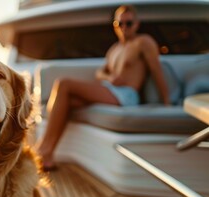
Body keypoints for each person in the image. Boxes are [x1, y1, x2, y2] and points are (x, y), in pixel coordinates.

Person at [35, 5, 170, 171]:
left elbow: (157, 70)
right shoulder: (114, 50)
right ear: (115, 25)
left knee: (63, 84)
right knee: (68, 101)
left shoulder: (143, 42)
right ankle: (47, 156)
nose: (124, 28)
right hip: (110, 90)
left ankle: (43, 149)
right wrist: (110, 77)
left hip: (126, 95)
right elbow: (100, 73)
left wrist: (167, 102)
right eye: (120, 24)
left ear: (136, 24)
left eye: (128, 23)